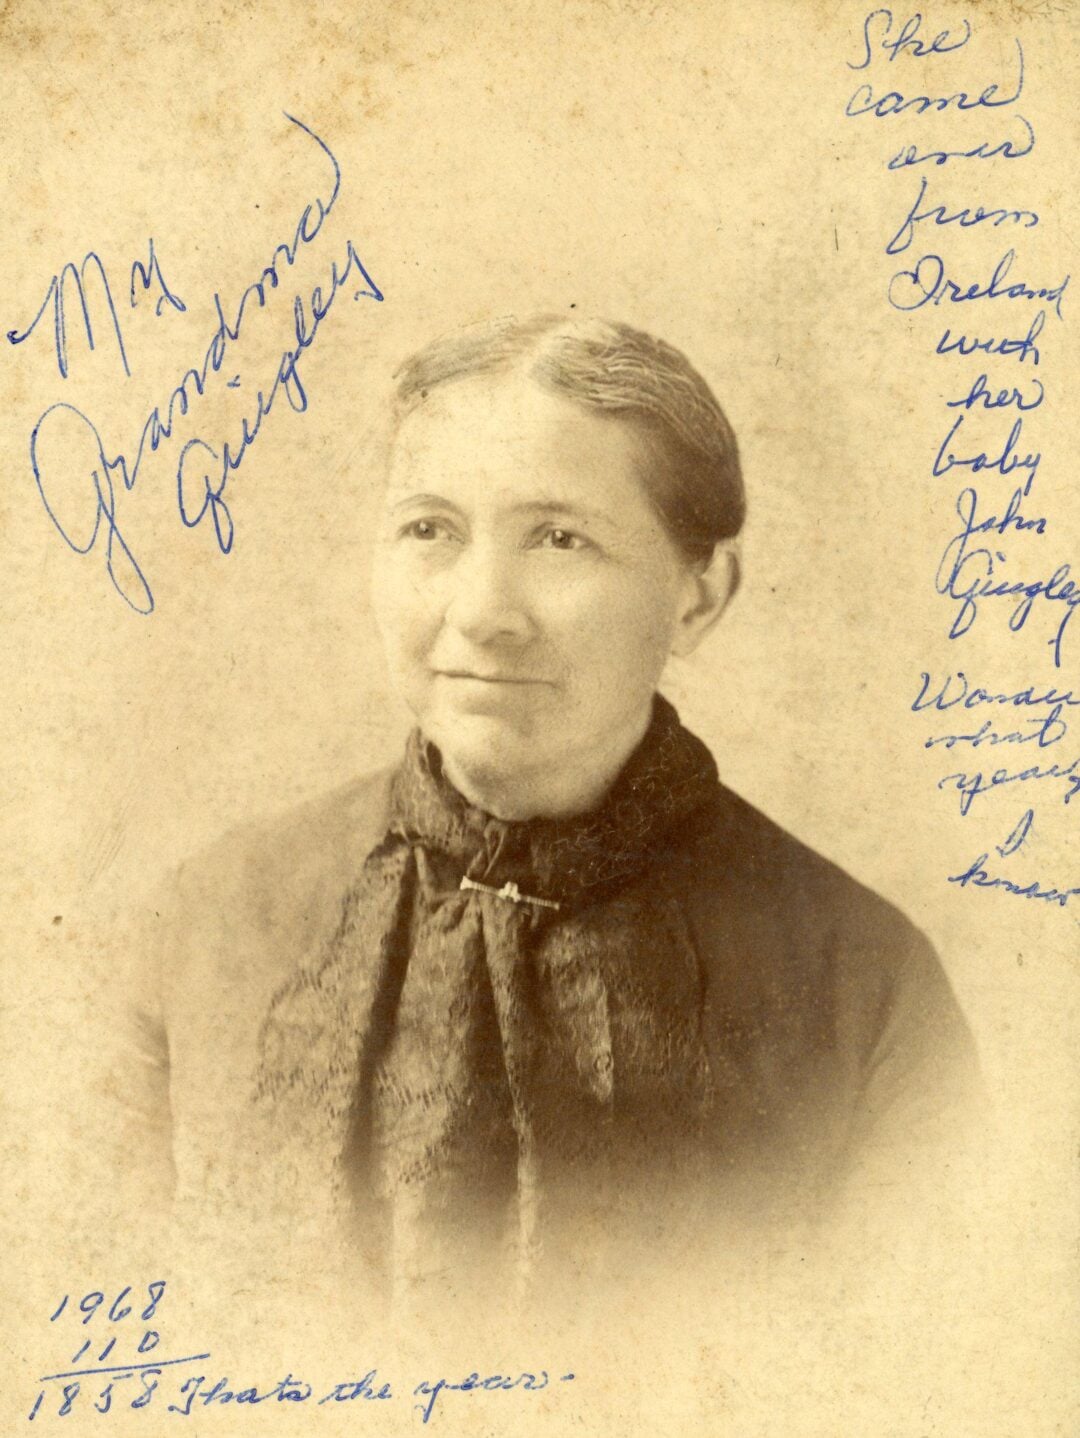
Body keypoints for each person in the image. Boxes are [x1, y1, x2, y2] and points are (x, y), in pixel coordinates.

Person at [97, 314, 980, 1327]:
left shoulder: (861, 980)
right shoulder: (210, 919)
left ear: (700, 597)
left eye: (561, 539)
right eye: (430, 529)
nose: (482, 612)